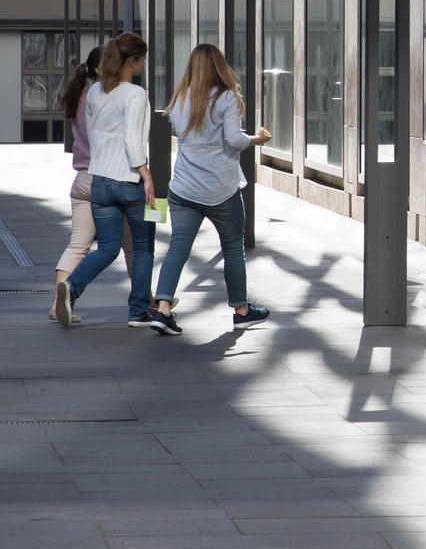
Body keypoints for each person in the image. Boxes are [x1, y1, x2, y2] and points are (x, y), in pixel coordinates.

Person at [150, 43, 273, 334]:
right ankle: (241, 310)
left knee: (178, 248)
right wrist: (256, 139)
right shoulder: (226, 97)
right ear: (220, 66)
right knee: (232, 249)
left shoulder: (180, 98)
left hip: (184, 189)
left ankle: (163, 308)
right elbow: (234, 140)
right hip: (221, 189)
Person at [60, 33, 159, 328]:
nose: (143, 64)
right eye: (142, 59)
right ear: (133, 61)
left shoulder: (94, 93)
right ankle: (139, 311)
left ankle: (72, 286)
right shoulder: (135, 94)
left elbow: (94, 135)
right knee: (142, 247)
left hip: (98, 180)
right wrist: (146, 175)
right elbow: (133, 139)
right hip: (128, 180)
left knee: (107, 248)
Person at [48, 46, 103, 326]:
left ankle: (57, 305)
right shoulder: (98, 100)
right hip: (103, 179)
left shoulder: (78, 97)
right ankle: (152, 302)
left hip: (81, 179)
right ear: (98, 70)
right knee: (134, 245)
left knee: (77, 245)